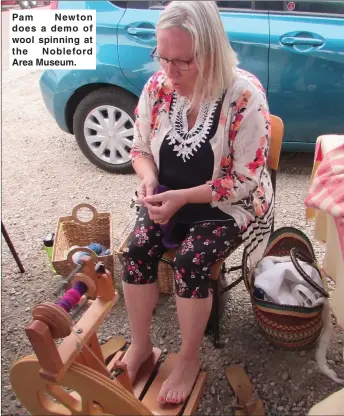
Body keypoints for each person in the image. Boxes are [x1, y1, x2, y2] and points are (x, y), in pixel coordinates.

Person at [121, 0, 274, 406]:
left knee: (191, 261)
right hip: (167, 196)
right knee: (135, 249)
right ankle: (140, 346)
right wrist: (150, 180)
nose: (169, 72)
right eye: (163, 57)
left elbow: (244, 181)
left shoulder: (244, 95)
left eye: (182, 62)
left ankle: (188, 359)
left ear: (210, 52)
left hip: (226, 206)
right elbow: (139, 148)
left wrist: (183, 198)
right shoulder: (157, 88)